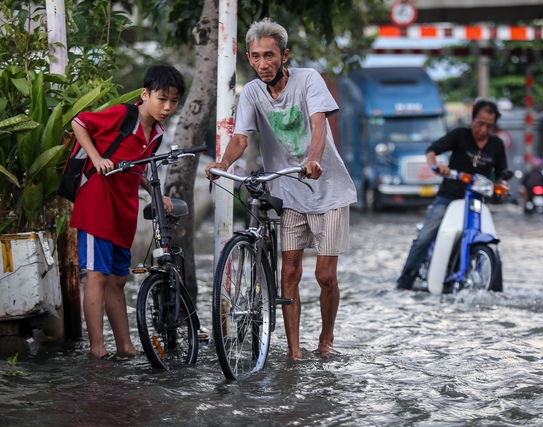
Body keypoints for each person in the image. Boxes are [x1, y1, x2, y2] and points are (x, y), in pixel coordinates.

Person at [204, 18, 357, 359]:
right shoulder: (253, 92)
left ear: (284, 55)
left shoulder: (308, 80)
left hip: (328, 189)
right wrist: (221, 166)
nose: (263, 63)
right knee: (288, 269)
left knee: (324, 275)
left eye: (270, 55)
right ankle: (293, 351)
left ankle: (326, 339)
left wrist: (314, 159)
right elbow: (241, 138)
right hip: (287, 192)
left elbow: (319, 123)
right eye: (256, 56)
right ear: (248, 57)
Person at [70, 64, 185, 361]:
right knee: (96, 275)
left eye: (173, 101)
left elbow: (140, 167)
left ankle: (125, 346)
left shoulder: (157, 133)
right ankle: (98, 348)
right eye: (162, 99)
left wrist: (156, 193)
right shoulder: (124, 116)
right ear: (145, 94)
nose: (167, 107)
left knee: (118, 279)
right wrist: (97, 158)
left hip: (124, 208)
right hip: (97, 202)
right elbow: (79, 122)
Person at [397, 99, 508, 290]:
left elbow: (502, 173)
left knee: (492, 239)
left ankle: (495, 287)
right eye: (480, 124)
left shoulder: (496, 144)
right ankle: (405, 280)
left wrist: (502, 185)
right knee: (426, 236)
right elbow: (433, 150)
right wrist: (436, 166)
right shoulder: (460, 135)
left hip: (476, 200)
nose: (483, 130)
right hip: (449, 196)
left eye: (489, 126)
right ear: (473, 119)